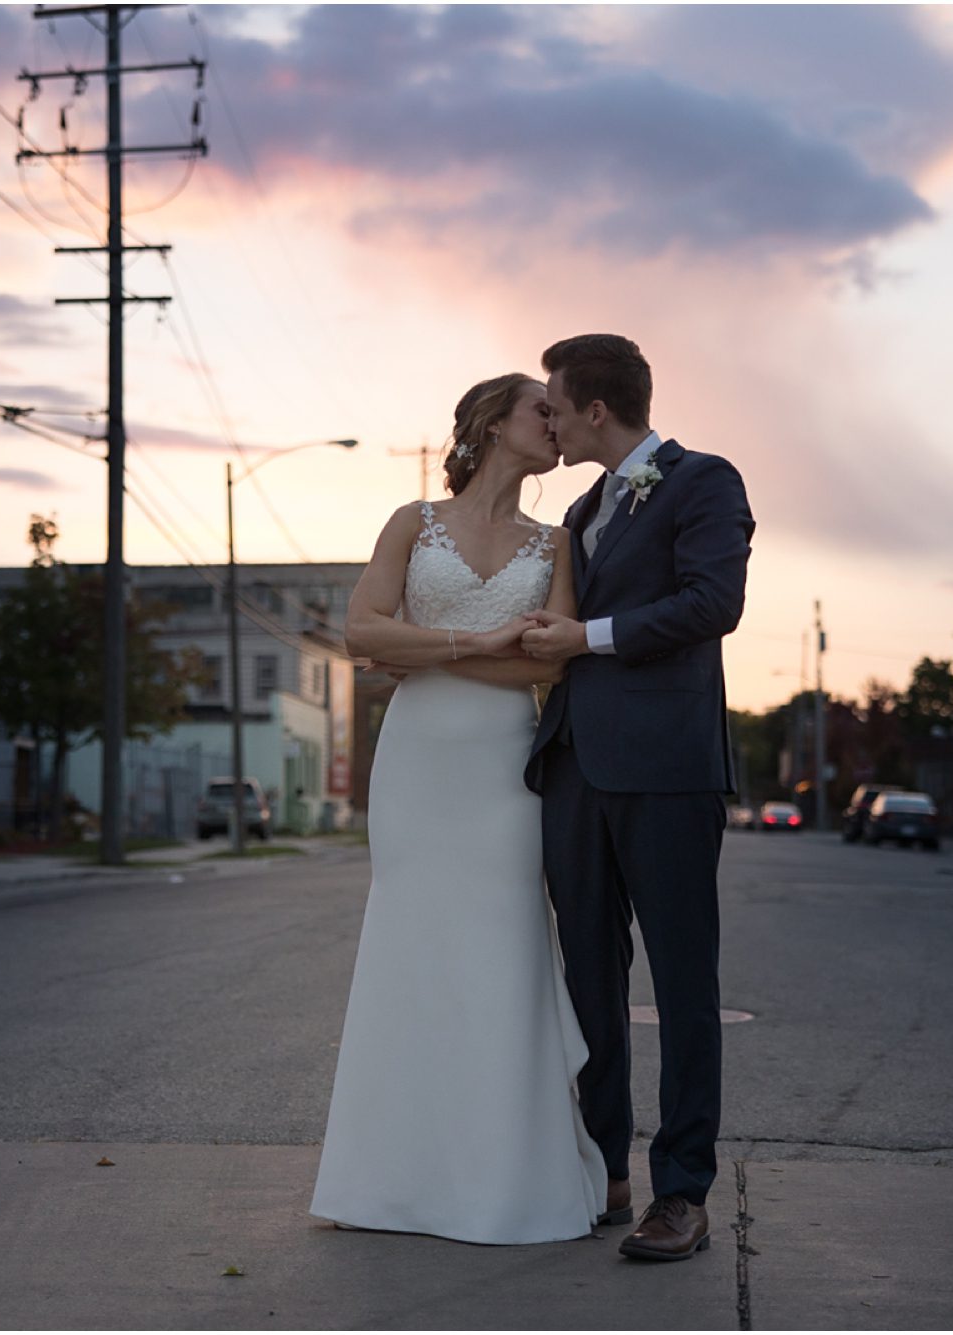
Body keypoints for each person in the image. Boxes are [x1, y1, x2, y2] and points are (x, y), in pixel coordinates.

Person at [309, 372, 608, 1244]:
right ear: (490, 422)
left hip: (505, 769)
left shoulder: (556, 545)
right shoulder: (413, 522)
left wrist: (430, 651)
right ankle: (391, 1180)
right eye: (541, 410)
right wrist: (475, 640)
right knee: (411, 949)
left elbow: (547, 665)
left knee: (502, 948)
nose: (556, 423)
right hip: (416, 766)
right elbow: (362, 632)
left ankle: (504, 1177)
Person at [520, 333, 755, 1262]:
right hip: (574, 767)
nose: (546, 416)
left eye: (553, 402)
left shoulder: (703, 481)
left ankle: (683, 1191)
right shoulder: (582, 506)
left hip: (666, 767)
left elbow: (713, 603)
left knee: (684, 981)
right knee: (589, 977)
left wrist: (589, 635)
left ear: (595, 411)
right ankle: (605, 1168)